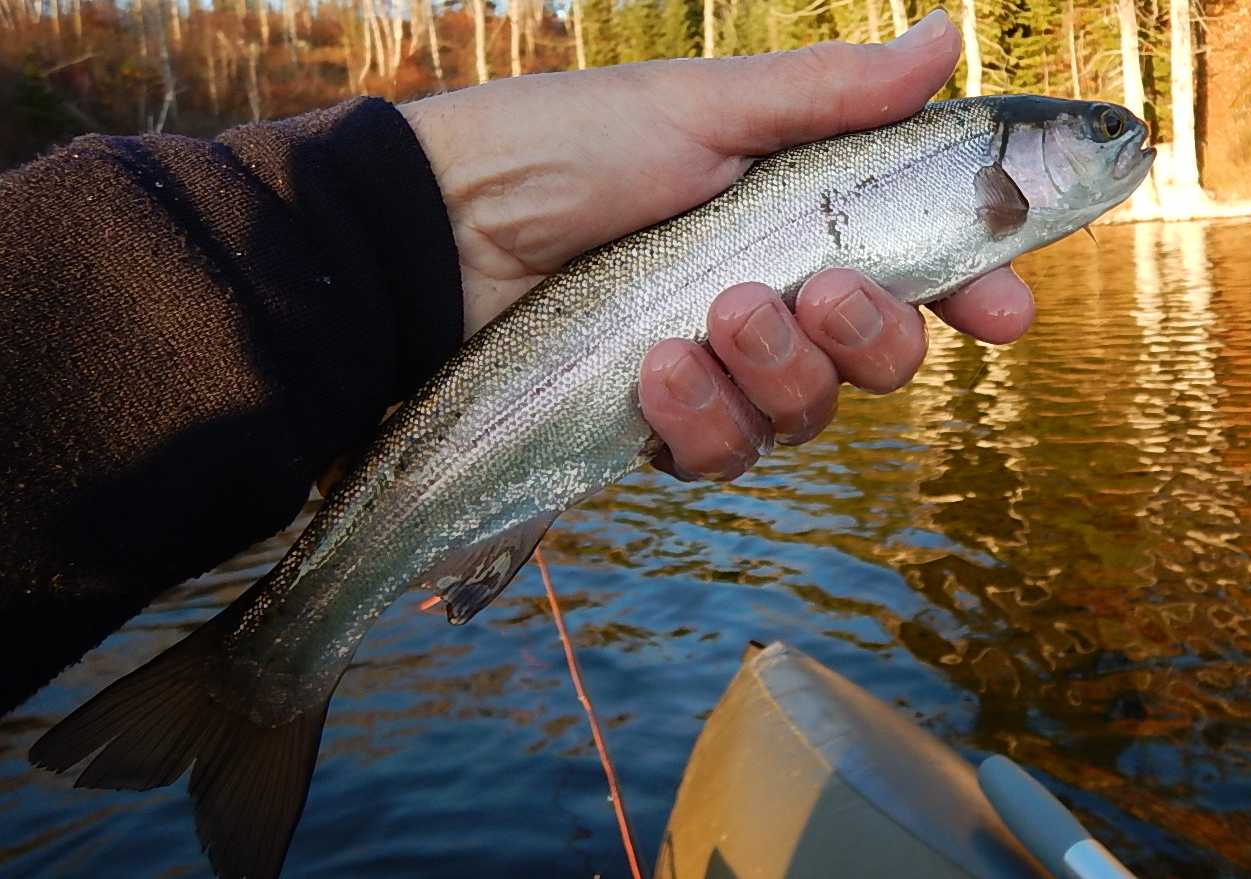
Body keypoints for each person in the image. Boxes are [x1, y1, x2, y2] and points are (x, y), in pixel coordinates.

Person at [0, 10, 1033, 713]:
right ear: (1017, 159)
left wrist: (386, 234)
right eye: (1101, 131)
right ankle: (262, 664)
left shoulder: (989, 194)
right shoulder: (971, 157)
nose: (1130, 143)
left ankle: (274, 655)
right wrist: (401, 223)